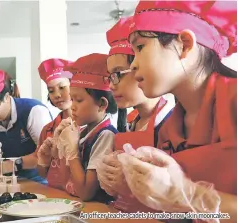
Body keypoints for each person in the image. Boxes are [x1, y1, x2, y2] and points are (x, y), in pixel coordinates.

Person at [115, 1, 237, 221]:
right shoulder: (171, 129)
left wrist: (185, 193)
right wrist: (137, 185)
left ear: (185, 44)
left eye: (140, 47)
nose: (133, 66)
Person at [96, 16, 175, 212]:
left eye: (117, 74)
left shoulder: (172, 122)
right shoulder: (132, 123)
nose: (111, 85)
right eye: (109, 77)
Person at [54, 53, 118, 202]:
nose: (72, 106)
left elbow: (85, 193)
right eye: (71, 99)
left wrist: (73, 152)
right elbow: (65, 183)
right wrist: (62, 146)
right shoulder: (82, 133)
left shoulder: (105, 136)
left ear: (102, 104)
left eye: (79, 100)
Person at [35, 58, 73, 190]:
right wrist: (43, 159)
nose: (57, 95)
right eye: (51, 91)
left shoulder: (89, 126)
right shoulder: (47, 130)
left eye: (62, 87)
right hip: (54, 194)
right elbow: (42, 173)